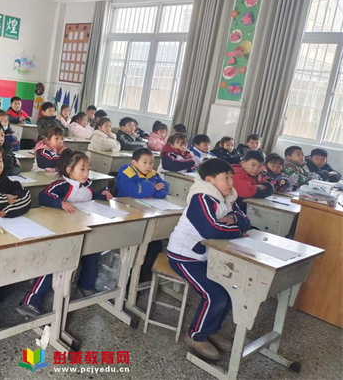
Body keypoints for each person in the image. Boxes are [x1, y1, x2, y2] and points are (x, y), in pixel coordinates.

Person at [167, 158, 250, 361]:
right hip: (183, 256)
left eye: (231, 178)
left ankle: (211, 329)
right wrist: (237, 231)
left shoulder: (227, 198)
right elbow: (211, 230)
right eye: (225, 178)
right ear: (210, 180)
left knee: (229, 291)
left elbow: (246, 220)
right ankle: (196, 336)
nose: (231, 182)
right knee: (215, 295)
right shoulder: (201, 198)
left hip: (205, 256)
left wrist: (235, 220)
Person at [18, 150, 112, 317]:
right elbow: (45, 195)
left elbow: (90, 199)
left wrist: (102, 194)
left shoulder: (87, 186)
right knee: (55, 261)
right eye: (82, 169)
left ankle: (87, 285)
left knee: (93, 252)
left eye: (88, 169)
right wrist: (59, 202)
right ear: (69, 170)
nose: (86, 173)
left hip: (81, 228)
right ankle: (31, 300)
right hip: (60, 232)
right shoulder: (61, 185)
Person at [116, 147, 169, 282]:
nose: (148, 166)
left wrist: (148, 191)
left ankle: (143, 275)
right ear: (134, 163)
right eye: (144, 162)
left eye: (151, 162)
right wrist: (152, 188)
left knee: (156, 244)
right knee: (143, 245)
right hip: (127, 215)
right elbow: (131, 191)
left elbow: (164, 188)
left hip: (146, 213)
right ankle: (132, 278)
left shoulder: (152, 173)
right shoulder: (127, 172)